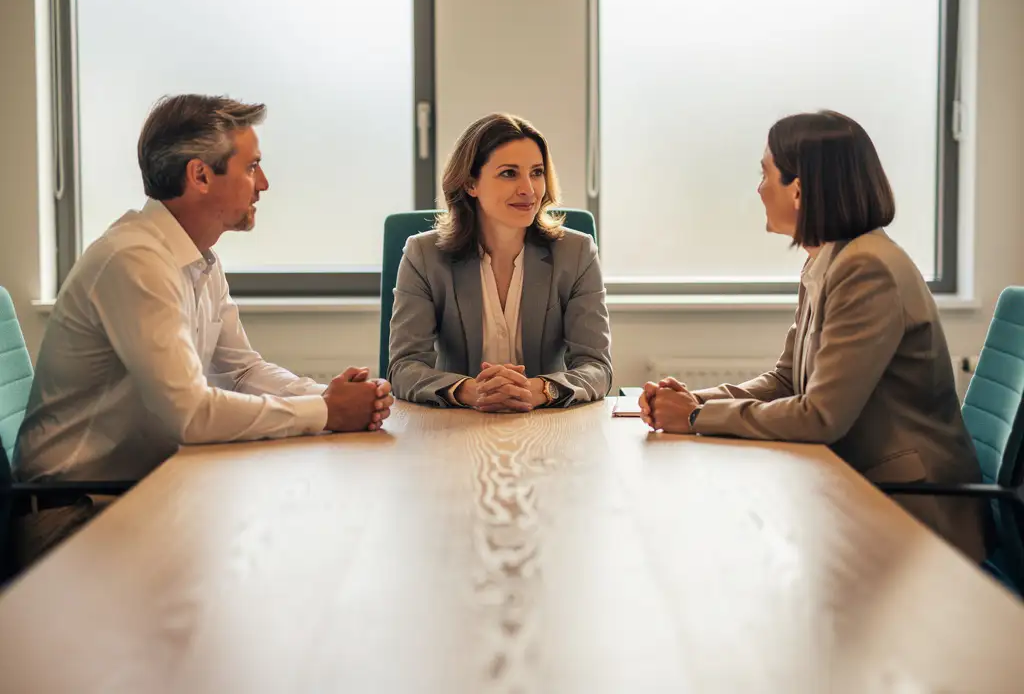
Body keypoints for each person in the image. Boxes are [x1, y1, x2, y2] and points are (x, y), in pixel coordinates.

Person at [14, 94, 393, 562]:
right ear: (200, 176)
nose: (265, 184)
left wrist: (327, 397)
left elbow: (239, 371)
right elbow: (190, 414)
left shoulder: (197, 257)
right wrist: (327, 414)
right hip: (70, 514)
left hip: (133, 490)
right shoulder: (135, 260)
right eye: (252, 167)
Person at [640, 110, 987, 562]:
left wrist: (692, 419)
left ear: (798, 191)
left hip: (912, 510)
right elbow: (787, 379)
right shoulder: (828, 260)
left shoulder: (868, 269)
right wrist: (695, 400)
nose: (759, 189)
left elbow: (820, 416)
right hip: (860, 484)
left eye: (765, 174)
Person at [388, 113, 612, 411]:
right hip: (455, 427)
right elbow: (404, 367)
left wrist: (540, 390)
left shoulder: (577, 252)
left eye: (536, 172)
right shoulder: (424, 255)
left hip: (549, 426)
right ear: (470, 183)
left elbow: (596, 367)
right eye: (509, 173)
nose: (528, 190)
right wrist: (469, 391)